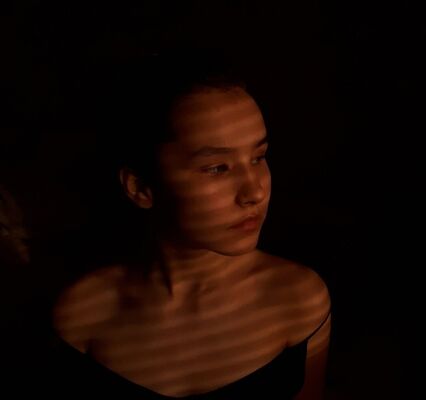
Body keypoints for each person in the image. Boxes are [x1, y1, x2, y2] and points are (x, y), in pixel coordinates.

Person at [51, 48, 331, 399]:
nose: (255, 192)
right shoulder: (84, 315)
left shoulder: (298, 299)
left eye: (259, 157)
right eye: (217, 168)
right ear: (140, 187)